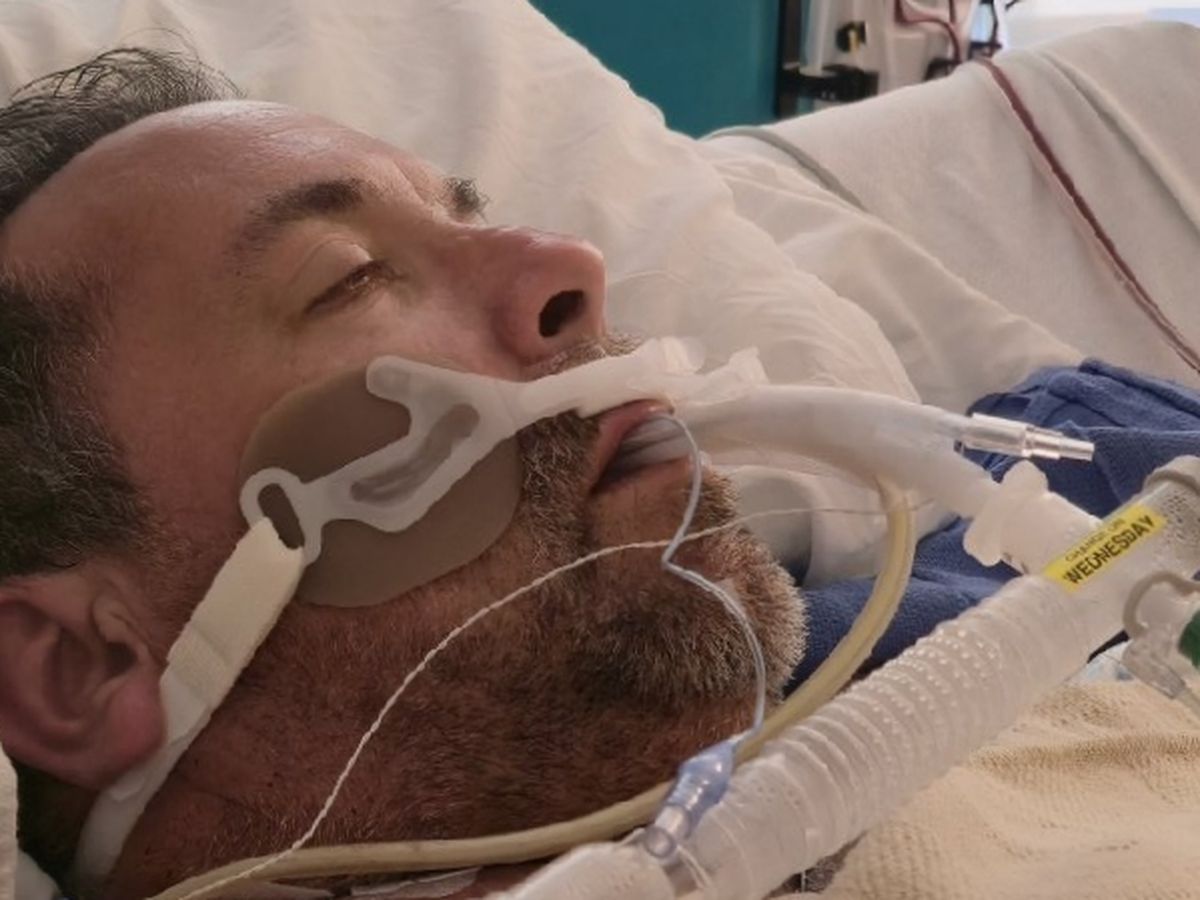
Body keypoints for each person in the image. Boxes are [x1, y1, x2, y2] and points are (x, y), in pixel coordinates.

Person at [0, 49, 807, 899]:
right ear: (76, 671)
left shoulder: (901, 637)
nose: (572, 263)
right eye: (349, 277)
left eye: (472, 223)